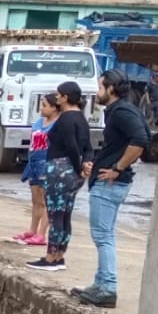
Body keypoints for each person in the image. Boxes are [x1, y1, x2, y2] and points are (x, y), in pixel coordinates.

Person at [72, 67, 150, 308]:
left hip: (110, 183)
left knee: (103, 236)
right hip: (109, 180)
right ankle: (100, 283)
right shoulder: (121, 111)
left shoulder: (121, 112)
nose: (97, 92)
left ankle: (107, 287)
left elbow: (141, 141)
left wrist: (117, 168)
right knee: (103, 235)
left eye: (99, 87)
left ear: (111, 89)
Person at [28, 80, 90, 273]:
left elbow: (71, 145)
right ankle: (60, 255)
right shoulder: (81, 118)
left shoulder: (65, 119)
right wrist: (85, 164)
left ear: (65, 97)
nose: (56, 98)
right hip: (73, 172)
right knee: (65, 215)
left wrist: (77, 165)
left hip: (60, 168)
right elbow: (88, 146)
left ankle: (50, 257)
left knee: (55, 215)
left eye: (58, 95)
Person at [15, 93, 56, 246]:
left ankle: (41, 233)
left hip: (46, 163)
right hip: (33, 161)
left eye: (45, 105)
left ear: (54, 108)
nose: (41, 108)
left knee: (46, 201)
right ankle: (32, 230)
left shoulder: (57, 125)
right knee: (36, 200)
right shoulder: (39, 122)